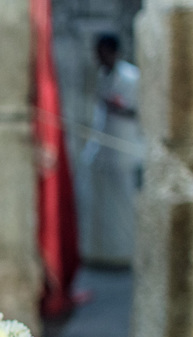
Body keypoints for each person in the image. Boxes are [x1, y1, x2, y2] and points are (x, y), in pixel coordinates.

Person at [78, 33, 142, 267]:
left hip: (124, 149)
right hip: (103, 149)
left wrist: (119, 107)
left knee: (124, 204)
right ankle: (105, 252)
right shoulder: (103, 75)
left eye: (102, 52)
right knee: (103, 204)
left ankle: (127, 253)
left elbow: (139, 111)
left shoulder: (131, 77)